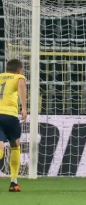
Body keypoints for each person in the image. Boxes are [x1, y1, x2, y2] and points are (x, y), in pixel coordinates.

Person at [0, 59, 27, 192]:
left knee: (0, 146)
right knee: (15, 146)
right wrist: (24, 108)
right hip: (10, 115)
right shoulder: (19, 77)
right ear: (19, 70)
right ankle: (14, 183)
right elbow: (21, 85)